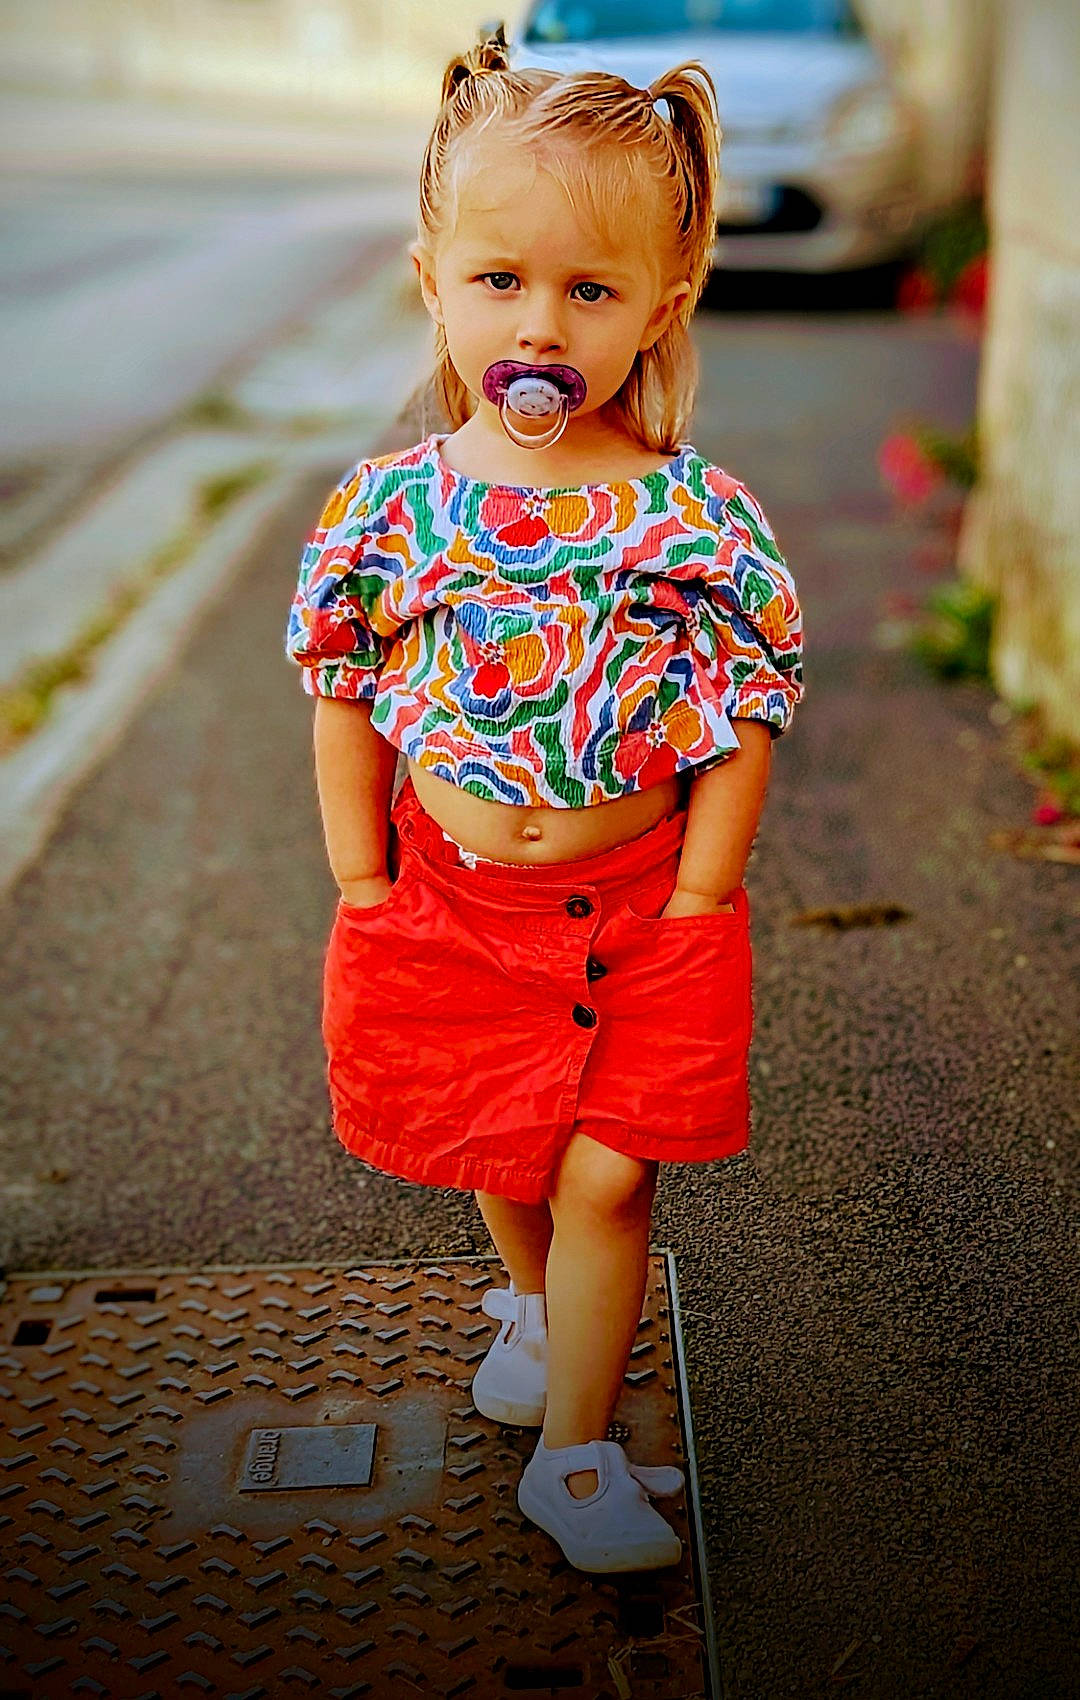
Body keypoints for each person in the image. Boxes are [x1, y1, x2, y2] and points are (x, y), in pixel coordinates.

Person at [284, 33, 804, 1575]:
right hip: (449, 900)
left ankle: (575, 1458)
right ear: (431, 275)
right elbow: (341, 691)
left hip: (641, 907)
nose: (543, 323)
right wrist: (363, 881)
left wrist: (705, 896)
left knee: (609, 1169)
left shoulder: (687, 516)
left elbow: (744, 712)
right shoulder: (393, 508)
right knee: (503, 1147)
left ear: (662, 305)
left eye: (590, 290)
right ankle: (526, 1304)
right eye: (502, 278)